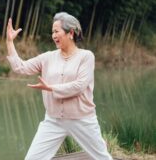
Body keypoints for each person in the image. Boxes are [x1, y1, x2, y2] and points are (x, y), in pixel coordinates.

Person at [6, 12, 112, 160]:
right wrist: (10, 42)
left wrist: (51, 88)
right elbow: (20, 68)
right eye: (52, 32)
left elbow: (79, 86)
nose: (53, 35)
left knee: (102, 157)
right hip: (53, 120)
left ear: (71, 33)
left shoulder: (86, 56)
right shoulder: (47, 57)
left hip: (82, 119)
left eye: (56, 31)